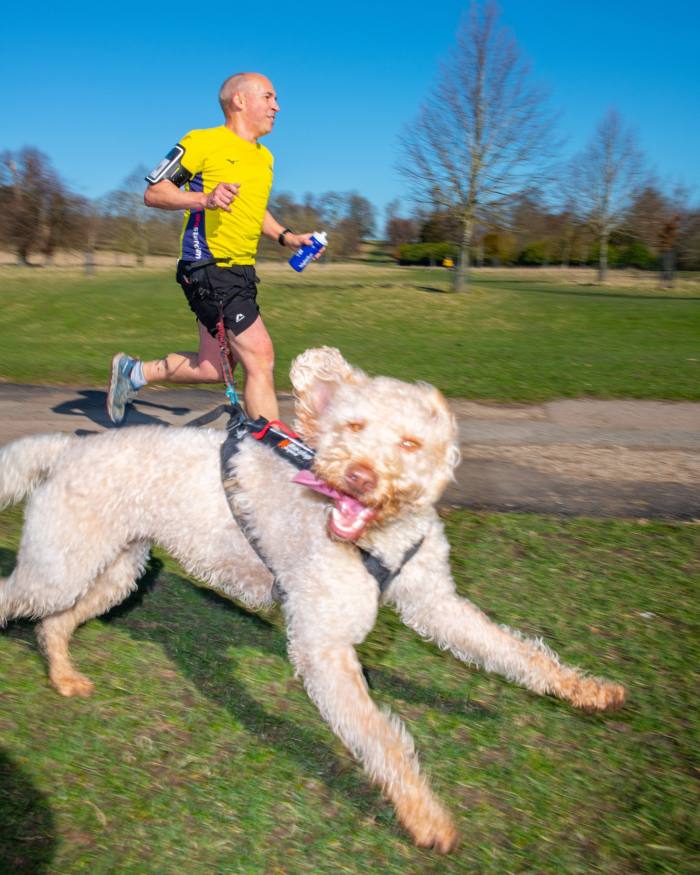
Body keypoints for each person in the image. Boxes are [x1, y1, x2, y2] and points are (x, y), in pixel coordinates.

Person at [106, 72, 322, 426]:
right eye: (268, 97)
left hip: (241, 270)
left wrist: (288, 237)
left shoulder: (264, 158)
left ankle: (134, 373)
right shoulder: (202, 141)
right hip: (208, 266)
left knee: (211, 367)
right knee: (260, 357)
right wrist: (204, 198)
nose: (277, 107)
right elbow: (154, 192)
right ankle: (270, 444)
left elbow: (254, 209)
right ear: (239, 100)